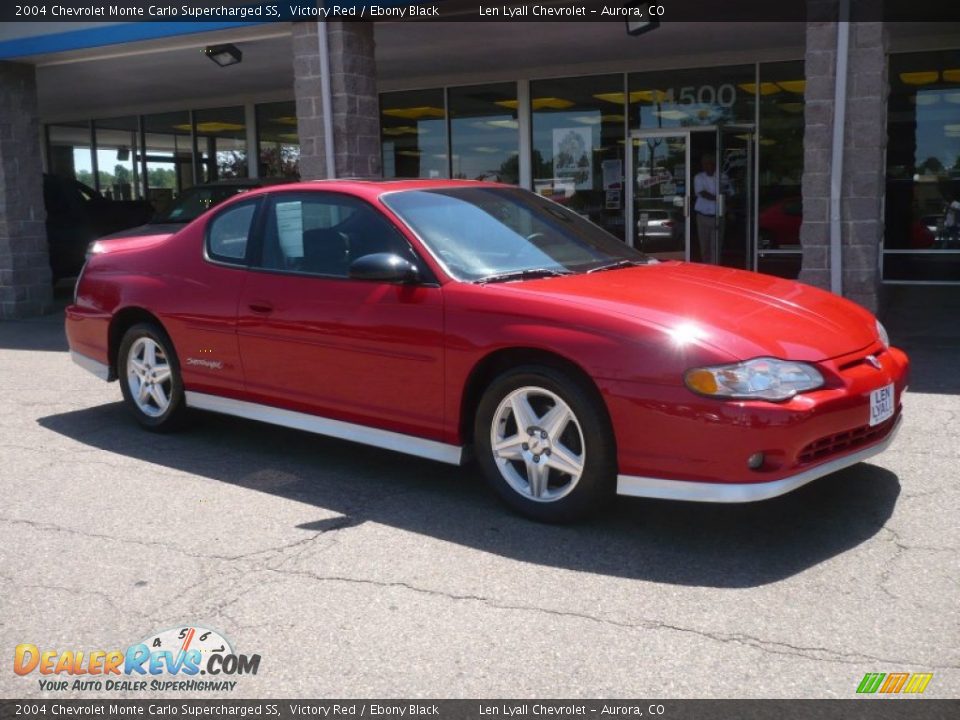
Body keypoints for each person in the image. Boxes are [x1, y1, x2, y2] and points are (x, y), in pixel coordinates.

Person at [694, 153, 720, 263]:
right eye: (704, 164)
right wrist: (718, 198)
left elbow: (730, 192)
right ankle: (706, 268)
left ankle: (715, 269)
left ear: (714, 164)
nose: (707, 166)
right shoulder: (699, 177)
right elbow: (702, 193)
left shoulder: (721, 177)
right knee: (704, 246)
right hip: (703, 217)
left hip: (717, 217)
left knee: (716, 247)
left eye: (709, 163)